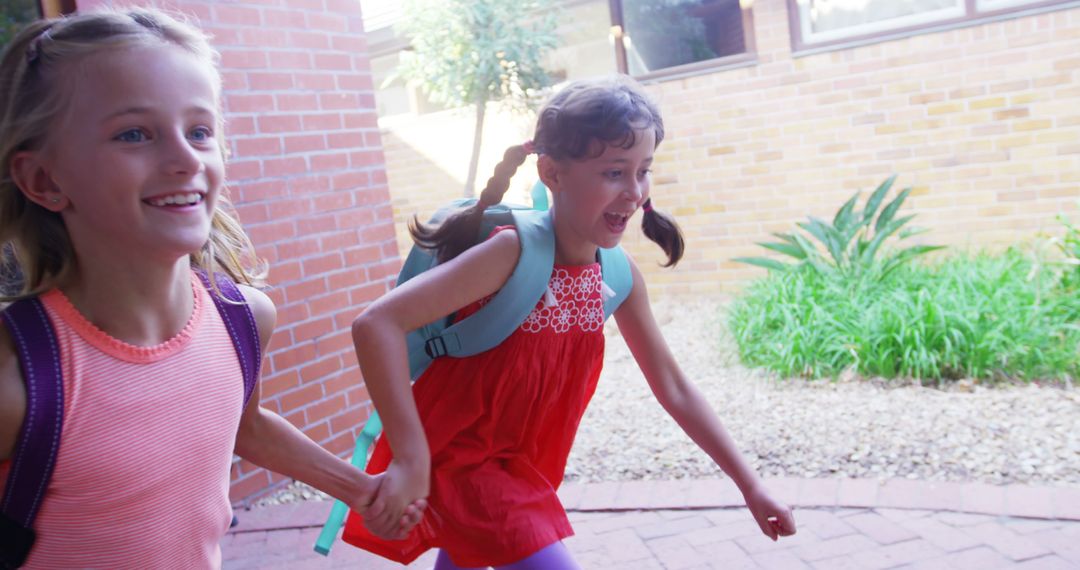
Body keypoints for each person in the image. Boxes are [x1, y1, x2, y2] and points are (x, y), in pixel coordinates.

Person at [0, 9, 420, 568]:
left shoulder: (243, 319)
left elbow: (240, 422)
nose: (185, 159)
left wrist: (359, 489)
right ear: (44, 181)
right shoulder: (20, 374)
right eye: (134, 134)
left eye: (200, 131)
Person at [343, 75, 797, 569]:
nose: (634, 192)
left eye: (643, 171)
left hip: (520, 465)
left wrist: (749, 484)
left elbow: (672, 385)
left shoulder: (617, 275)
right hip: (462, 459)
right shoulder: (511, 253)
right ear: (552, 173)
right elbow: (376, 325)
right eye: (613, 173)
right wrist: (412, 459)